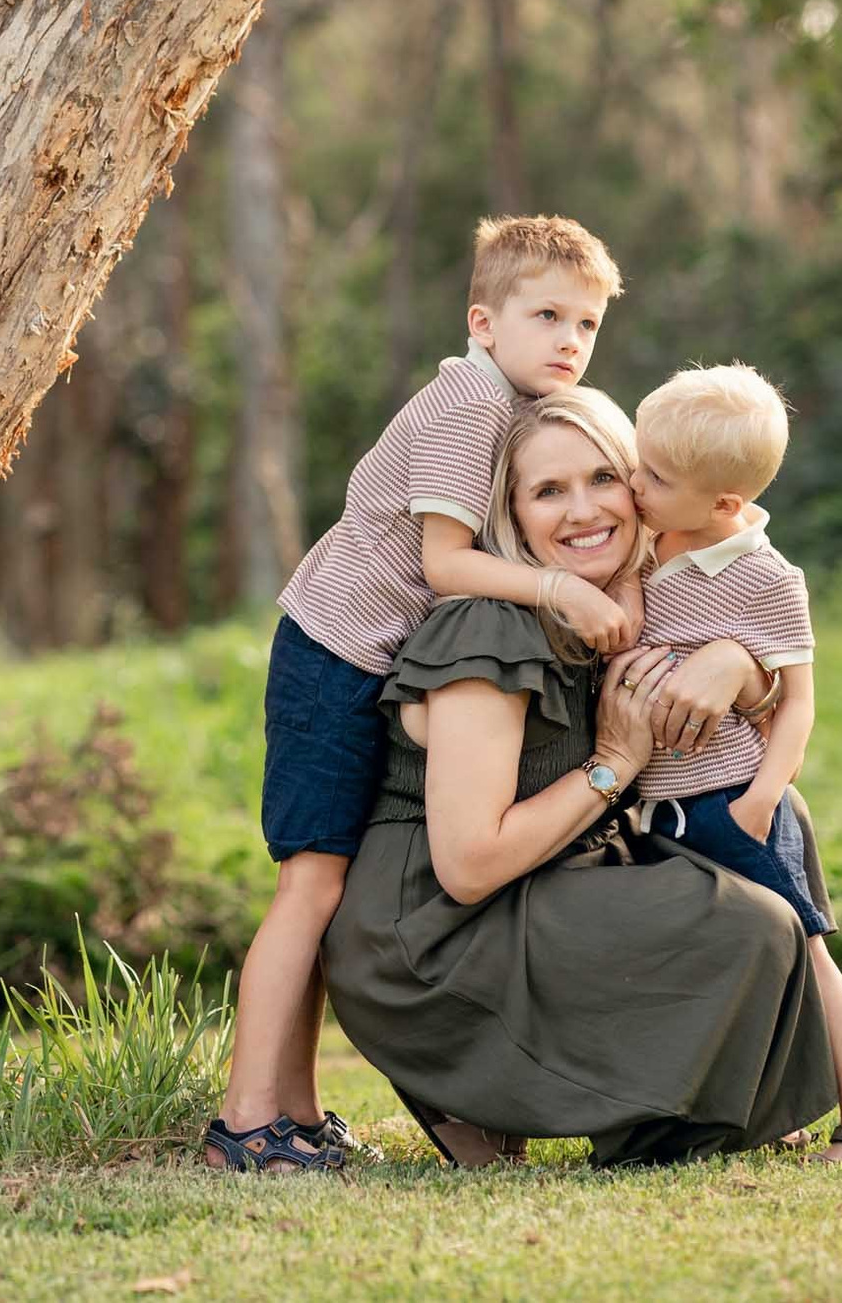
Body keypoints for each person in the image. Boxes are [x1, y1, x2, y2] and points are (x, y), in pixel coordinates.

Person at [203, 216, 638, 1174]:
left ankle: (300, 1115)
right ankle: (242, 1124)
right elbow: (446, 565)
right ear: (485, 322)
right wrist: (561, 589)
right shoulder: (468, 409)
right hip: (334, 652)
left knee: (333, 889)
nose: (571, 340)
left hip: (372, 659)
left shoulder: (505, 406)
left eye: (589, 323)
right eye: (547, 316)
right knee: (309, 887)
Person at [322, 387, 840, 1167]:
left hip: (546, 890)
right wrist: (614, 764)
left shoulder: (615, 612)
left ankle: (681, 1109)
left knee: (772, 842)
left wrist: (739, 665)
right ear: (513, 516)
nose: (582, 509)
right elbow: (467, 868)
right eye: (547, 491)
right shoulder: (486, 627)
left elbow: (761, 678)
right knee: (752, 925)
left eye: (603, 478)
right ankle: (586, 1103)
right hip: (432, 937)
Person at [626, 362, 842, 1163]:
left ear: (723, 504)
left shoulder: (767, 578)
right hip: (662, 807)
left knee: (808, 955)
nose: (636, 485)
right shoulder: (647, 542)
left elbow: (797, 704)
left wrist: (761, 799)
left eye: (657, 477)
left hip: (735, 799)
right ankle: (774, 1114)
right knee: (733, 959)